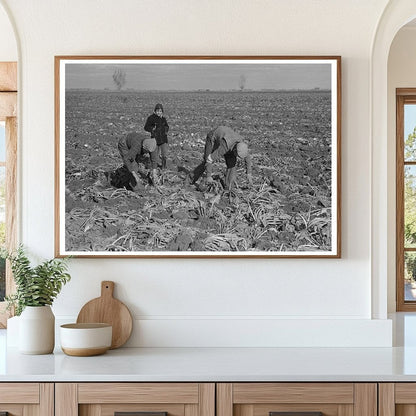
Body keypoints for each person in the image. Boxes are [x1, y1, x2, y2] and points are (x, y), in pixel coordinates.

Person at [192, 126, 253, 190]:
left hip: (229, 140)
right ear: (235, 150)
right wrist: (208, 176)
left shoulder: (242, 146)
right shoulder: (225, 146)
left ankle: (229, 188)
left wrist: (249, 173)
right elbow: (210, 159)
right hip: (214, 138)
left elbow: (247, 158)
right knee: (206, 162)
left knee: (232, 165)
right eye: (237, 155)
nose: (237, 157)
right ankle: (190, 181)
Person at [144, 103, 170, 170]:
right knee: (155, 156)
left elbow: (167, 126)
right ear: (155, 111)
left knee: (164, 155)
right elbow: (146, 127)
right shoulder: (151, 118)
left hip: (163, 139)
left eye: (160, 111)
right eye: (158, 111)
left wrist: (166, 131)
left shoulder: (163, 119)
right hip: (155, 140)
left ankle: (164, 167)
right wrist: (152, 129)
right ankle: (153, 168)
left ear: (162, 112)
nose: (159, 112)